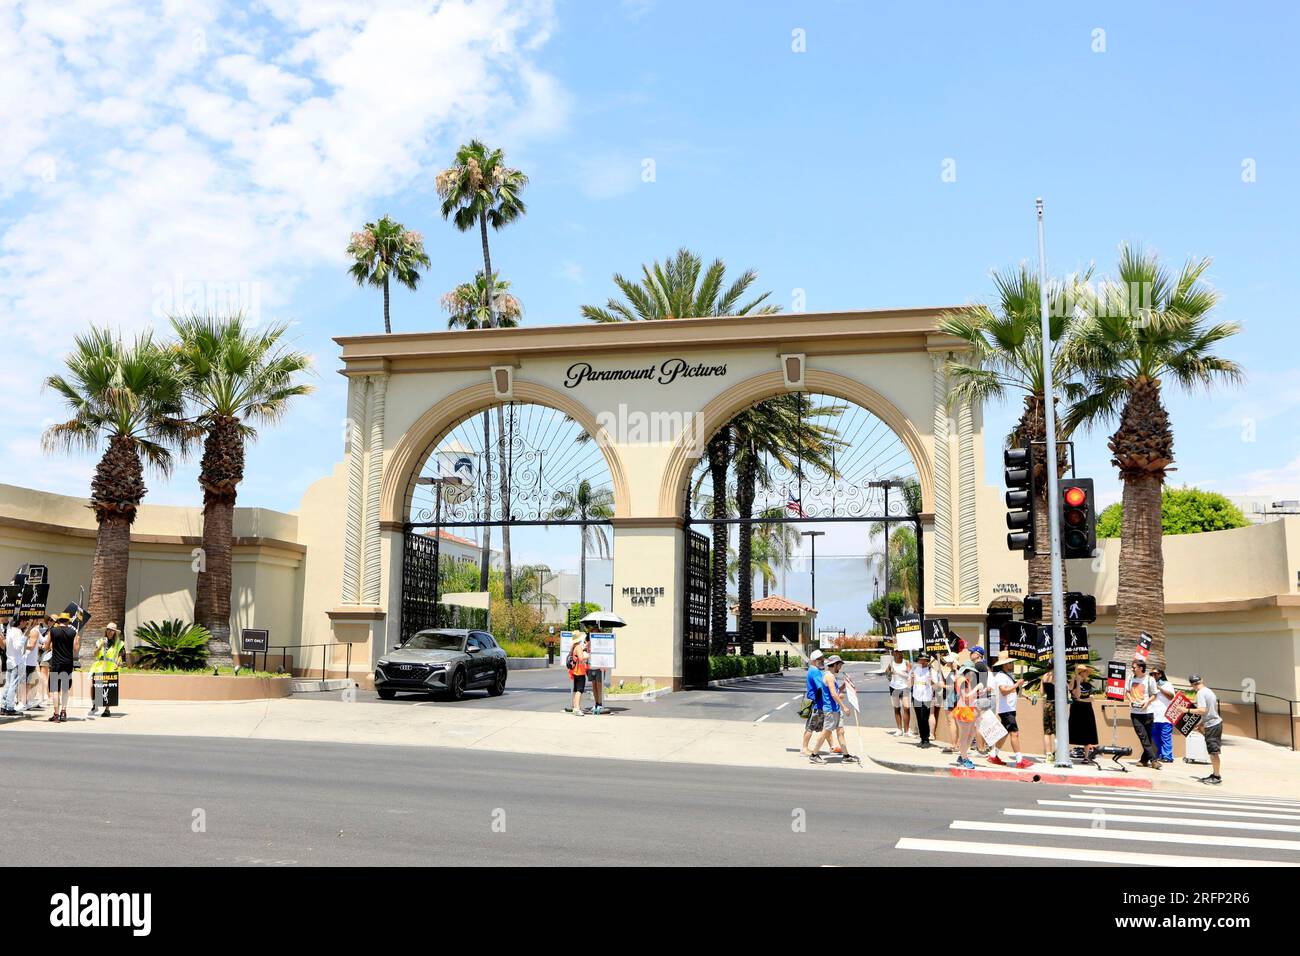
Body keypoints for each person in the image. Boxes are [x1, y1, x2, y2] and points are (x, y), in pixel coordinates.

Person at [988, 653, 1031, 769]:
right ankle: (1019, 760)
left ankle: (993, 755)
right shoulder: (1001, 676)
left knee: (1004, 733)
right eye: (1010, 662)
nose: (1012, 664)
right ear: (1004, 665)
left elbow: (1011, 690)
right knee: (1015, 733)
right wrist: (1017, 684)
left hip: (1008, 709)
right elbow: (1004, 691)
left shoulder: (1007, 676)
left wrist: (1026, 695)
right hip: (1006, 710)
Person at [813, 656, 857, 762]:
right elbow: (833, 694)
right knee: (826, 732)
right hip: (830, 710)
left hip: (835, 709)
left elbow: (836, 691)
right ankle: (814, 755)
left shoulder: (832, 676)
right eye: (840, 665)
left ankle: (846, 755)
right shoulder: (829, 676)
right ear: (835, 664)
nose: (840, 667)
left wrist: (845, 685)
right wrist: (844, 706)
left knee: (841, 731)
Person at [1187, 674, 1223, 785]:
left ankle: (1216, 777)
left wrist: (1186, 710)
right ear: (1202, 680)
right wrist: (1202, 723)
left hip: (1212, 725)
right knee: (1213, 751)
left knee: (1213, 752)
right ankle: (1215, 774)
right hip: (1214, 723)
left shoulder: (1200, 693)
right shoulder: (1208, 691)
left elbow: (1202, 710)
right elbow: (1210, 710)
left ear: (1192, 685)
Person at [1127, 659, 1161, 769]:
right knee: (1143, 737)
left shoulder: (1149, 679)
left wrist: (1147, 702)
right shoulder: (1130, 678)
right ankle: (1154, 760)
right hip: (1135, 713)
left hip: (1147, 713)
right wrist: (1130, 700)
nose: (1132, 669)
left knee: (1148, 738)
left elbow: (1154, 695)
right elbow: (1127, 691)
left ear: (1141, 668)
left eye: (1134, 667)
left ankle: (1144, 760)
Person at [47, 613, 79, 723]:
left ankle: (56, 714)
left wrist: (53, 646)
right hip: (68, 663)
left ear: (59, 620)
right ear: (68, 621)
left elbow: (47, 646)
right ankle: (63, 712)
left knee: (55, 690)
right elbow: (75, 649)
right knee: (65, 689)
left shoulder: (53, 631)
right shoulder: (73, 632)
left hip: (56, 664)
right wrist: (76, 638)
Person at [89, 623, 125, 717]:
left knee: (108, 687)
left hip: (111, 667)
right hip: (99, 666)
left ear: (115, 632)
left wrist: (119, 660)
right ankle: (95, 703)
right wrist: (101, 646)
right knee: (94, 686)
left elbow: (121, 654)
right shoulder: (100, 641)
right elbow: (95, 654)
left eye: (112, 630)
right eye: (108, 630)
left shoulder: (119, 643)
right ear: (106, 631)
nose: (110, 632)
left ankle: (107, 709)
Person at [951, 663, 981, 769]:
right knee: (964, 737)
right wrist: (977, 688)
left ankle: (962, 755)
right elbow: (966, 698)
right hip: (964, 711)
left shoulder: (965, 681)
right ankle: (964, 758)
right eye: (972, 672)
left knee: (970, 734)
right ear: (967, 671)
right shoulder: (963, 681)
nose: (973, 674)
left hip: (968, 710)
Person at [1068, 664, 1099, 763]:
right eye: (1085, 672)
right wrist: (1076, 681)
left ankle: (1086, 757)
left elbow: (1092, 698)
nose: (1086, 674)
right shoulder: (1074, 683)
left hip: (1087, 711)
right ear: (1080, 673)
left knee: (1087, 733)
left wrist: (1081, 700)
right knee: (1072, 731)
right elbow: (1076, 695)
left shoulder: (1088, 685)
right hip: (1076, 711)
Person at [802, 650, 827, 761]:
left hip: (817, 703)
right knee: (810, 727)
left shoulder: (813, 670)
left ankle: (832, 746)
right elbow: (820, 687)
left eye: (822, 658)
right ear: (813, 661)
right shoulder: (815, 671)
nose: (822, 660)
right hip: (817, 704)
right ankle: (804, 748)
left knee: (826, 727)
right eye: (819, 659)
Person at [909, 652, 938, 748]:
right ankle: (922, 738)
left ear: (927, 661)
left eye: (924, 660)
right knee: (919, 718)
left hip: (926, 696)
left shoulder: (931, 671)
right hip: (916, 696)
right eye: (920, 659)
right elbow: (910, 684)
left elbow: (936, 685)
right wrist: (912, 679)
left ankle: (926, 739)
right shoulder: (914, 669)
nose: (922, 661)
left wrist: (932, 681)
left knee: (925, 717)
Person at [1150, 666, 1176, 764]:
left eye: (1155, 674)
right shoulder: (1151, 685)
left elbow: (1171, 696)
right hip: (1154, 716)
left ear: (1160, 674)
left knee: (1165, 737)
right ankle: (1161, 754)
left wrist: (1159, 688)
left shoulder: (1167, 684)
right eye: (1151, 674)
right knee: (1155, 736)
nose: (1153, 675)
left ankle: (1168, 756)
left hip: (1165, 716)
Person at [884, 649, 912, 737]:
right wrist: (889, 673)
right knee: (896, 709)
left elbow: (910, 675)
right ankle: (899, 729)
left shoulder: (906, 663)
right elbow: (887, 674)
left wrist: (898, 673)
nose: (897, 653)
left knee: (906, 708)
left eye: (899, 652)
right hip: (894, 687)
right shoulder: (891, 663)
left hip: (904, 688)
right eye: (895, 652)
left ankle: (907, 731)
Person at [2, 616, 26, 716]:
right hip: (16, 661)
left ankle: (3, 706)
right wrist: (25, 637)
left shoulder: (10, 630)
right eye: (25, 621)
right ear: (21, 621)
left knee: (8, 684)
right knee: (13, 685)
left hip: (10, 660)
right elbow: (18, 647)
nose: (26, 623)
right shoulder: (18, 632)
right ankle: (10, 707)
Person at [567, 634, 589, 716]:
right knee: (580, 690)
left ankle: (575, 707)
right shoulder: (578, 647)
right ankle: (577, 708)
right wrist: (588, 656)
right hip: (580, 671)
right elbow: (581, 658)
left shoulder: (574, 647)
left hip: (575, 671)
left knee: (576, 690)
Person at [1040, 667, 1057, 759]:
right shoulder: (1057, 676)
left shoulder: (1044, 676)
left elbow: (1042, 693)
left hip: (1047, 704)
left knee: (1047, 731)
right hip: (1055, 705)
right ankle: (1057, 752)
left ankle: (1048, 754)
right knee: (1057, 731)